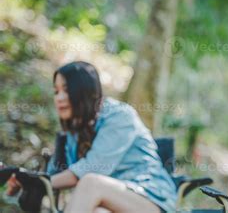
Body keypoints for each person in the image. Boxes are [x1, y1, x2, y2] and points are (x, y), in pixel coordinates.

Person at [6, 61, 177, 212]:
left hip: (151, 199)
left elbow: (92, 169)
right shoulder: (75, 130)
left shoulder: (120, 117)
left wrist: (37, 183)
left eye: (66, 90)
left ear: (85, 91)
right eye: (56, 91)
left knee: (90, 183)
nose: (59, 98)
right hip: (107, 201)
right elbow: (54, 176)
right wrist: (21, 178)